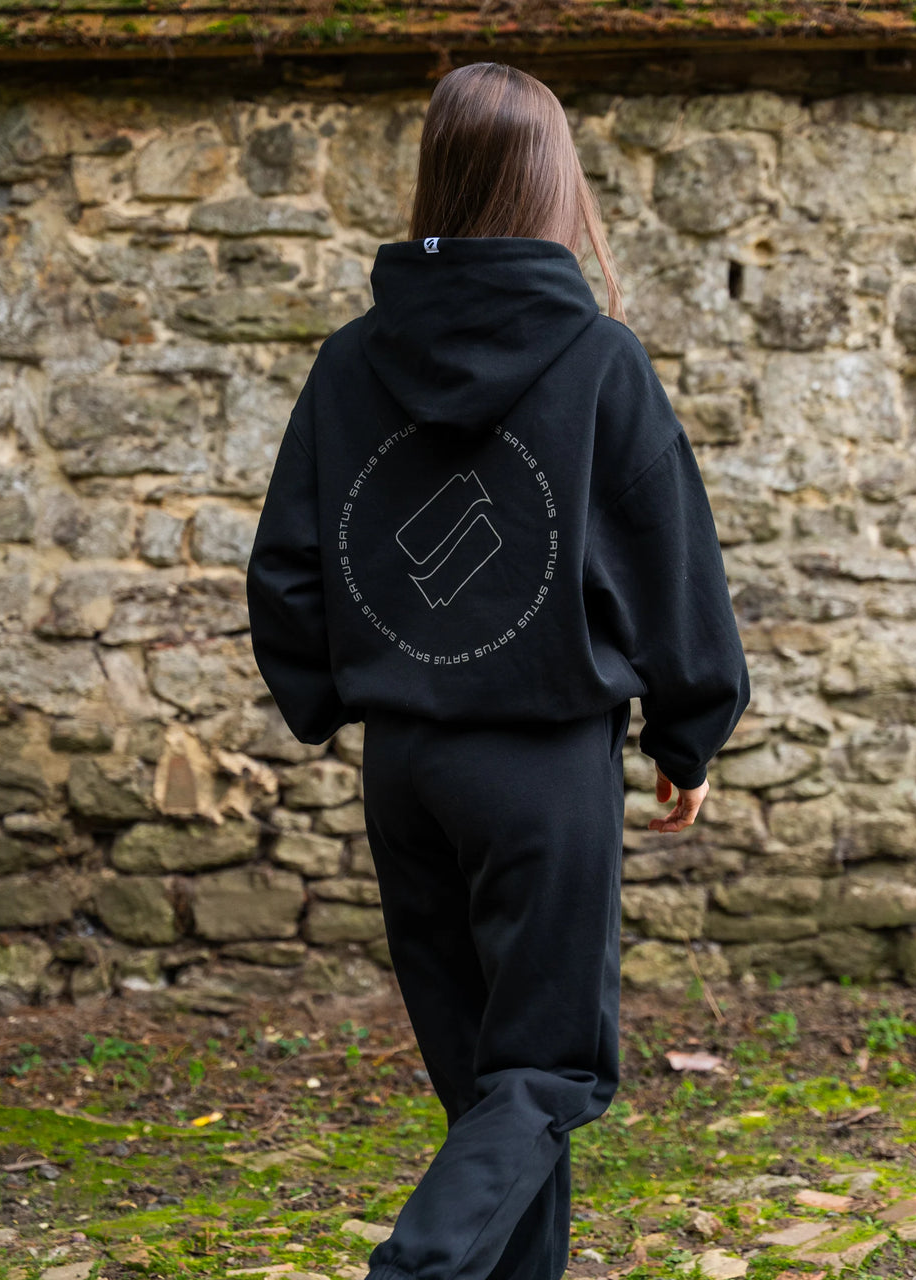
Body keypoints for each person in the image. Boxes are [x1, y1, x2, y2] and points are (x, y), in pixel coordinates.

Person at [246, 61, 749, 1280]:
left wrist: (333, 702)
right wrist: (688, 732)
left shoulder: (351, 362)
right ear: (553, 186)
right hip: (542, 767)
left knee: (489, 1087)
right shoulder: (597, 360)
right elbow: (668, 561)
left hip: (406, 767)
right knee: (543, 1072)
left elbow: (288, 572)